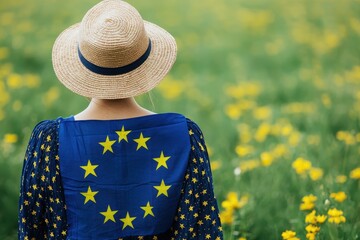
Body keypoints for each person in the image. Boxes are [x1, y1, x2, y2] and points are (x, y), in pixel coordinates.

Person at [18, 0, 223, 239]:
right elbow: (199, 229)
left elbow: (34, 228)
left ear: (83, 65)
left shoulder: (51, 140)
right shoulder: (184, 134)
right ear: (145, 63)